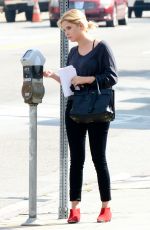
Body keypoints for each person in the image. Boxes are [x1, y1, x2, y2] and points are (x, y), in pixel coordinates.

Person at [43, 9, 118, 224]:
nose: (66, 33)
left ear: (80, 25)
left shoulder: (101, 47)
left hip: (97, 109)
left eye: (68, 28)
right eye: (63, 29)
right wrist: (54, 76)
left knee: (98, 157)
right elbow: (71, 84)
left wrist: (85, 79)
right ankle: (74, 209)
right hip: (75, 109)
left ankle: (106, 207)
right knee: (76, 159)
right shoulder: (73, 52)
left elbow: (111, 77)